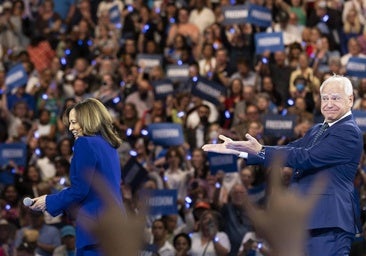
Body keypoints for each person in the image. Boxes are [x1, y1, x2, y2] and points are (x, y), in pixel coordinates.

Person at [202, 75, 364, 256]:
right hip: (307, 220)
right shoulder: (318, 129)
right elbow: (291, 148)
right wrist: (240, 150)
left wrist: (261, 150)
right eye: (325, 98)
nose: (328, 103)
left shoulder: (348, 131)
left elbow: (306, 157)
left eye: (335, 98)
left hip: (329, 219)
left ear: (350, 100)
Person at [27, 98, 124, 256]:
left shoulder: (84, 143)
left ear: (87, 119)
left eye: (73, 122)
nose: (71, 128)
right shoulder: (108, 145)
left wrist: (48, 201)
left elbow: (80, 190)